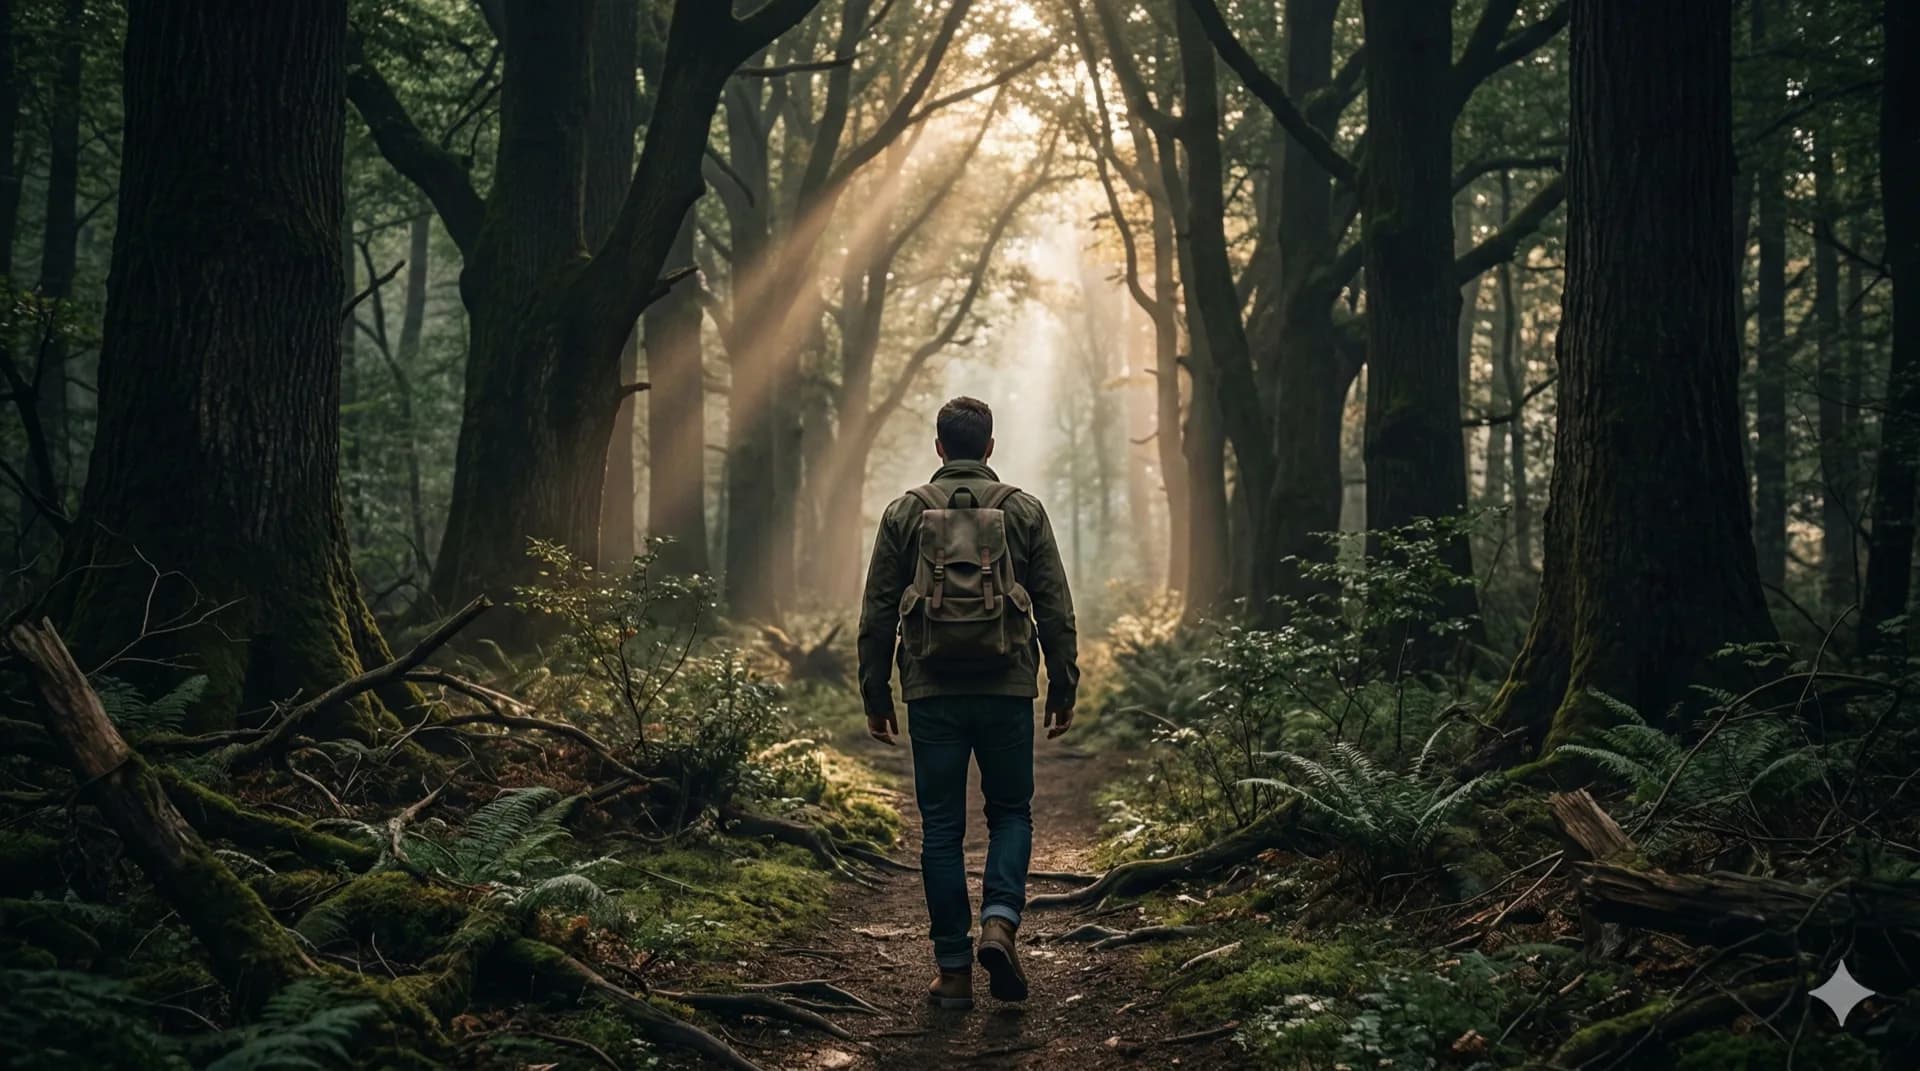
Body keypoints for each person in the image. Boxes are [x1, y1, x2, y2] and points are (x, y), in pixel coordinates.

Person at [857, 396, 1079, 1010]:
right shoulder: (1023, 510)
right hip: (1007, 686)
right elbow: (1055, 605)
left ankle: (953, 972)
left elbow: (877, 612)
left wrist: (876, 692)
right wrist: (1064, 684)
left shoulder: (905, 512)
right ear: (989, 448)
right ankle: (1001, 922)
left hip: (930, 689)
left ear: (938, 448)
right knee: (1011, 812)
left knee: (942, 829)